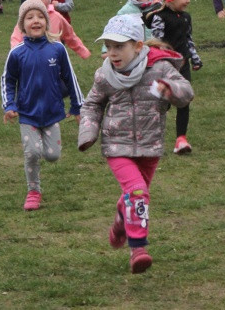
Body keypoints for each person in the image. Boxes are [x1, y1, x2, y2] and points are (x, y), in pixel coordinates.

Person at [78, 14, 194, 274]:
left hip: (150, 145)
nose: (113, 53)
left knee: (133, 195)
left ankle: (121, 219)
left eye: (119, 46)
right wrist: (88, 132)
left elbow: (186, 92)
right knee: (138, 192)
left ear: (138, 46)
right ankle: (138, 248)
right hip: (116, 145)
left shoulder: (160, 68)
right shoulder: (104, 75)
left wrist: (170, 90)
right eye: (108, 47)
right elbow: (92, 104)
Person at [1, 0, 83, 211]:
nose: (35, 21)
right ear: (22, 25)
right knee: (32, 153)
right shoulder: (17, 53)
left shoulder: (57, 49)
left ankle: (43, 158)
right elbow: (8, 80)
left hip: (52, 112)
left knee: (52, 155)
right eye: (29, 18)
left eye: (39, 17)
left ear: (46, 22)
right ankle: (33, 191)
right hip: (27, 113)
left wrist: (77, 106)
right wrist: (9, 104)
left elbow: (70, 77)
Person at [144, 0, 202, 155]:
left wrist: (195, 57)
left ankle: (181, 139)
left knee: (184, 100)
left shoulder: (186, 17)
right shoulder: (160, 17)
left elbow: (188, 40)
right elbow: (156, 41)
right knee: (162, 102)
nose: (188, 1)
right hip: (165, 66)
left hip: (182, 64)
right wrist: (159, 60)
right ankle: (149, 135)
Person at [10, 0, 91, 60]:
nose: (40, 0)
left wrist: (83, 51)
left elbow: (69, 34)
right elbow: (16, 37)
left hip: (53, 59)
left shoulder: (57, 17)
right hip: (30, 58)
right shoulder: (26, 17)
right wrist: (16, 54)